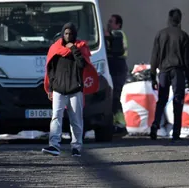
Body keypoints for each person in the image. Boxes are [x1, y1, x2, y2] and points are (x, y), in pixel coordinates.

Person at [42, 22, 99, 156]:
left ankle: (76, 147)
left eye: (71, 34)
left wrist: (74, 49)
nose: (68, 36)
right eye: (66, 33)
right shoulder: (55, 48)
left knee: (76, 119)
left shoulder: (81, 47)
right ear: (63, 34)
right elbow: (51, 70)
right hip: (58, 89)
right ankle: (54, 145)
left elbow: (82, 64)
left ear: (74, 35)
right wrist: (51, 88)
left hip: (75, 89)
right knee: (56, 117)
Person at [150, 8, 189, 141]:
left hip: (163, 71)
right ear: (180, 19)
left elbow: (154, 57)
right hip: (178, 72)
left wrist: (152, 76)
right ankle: (176, 132)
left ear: (169, 19)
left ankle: (155, 124)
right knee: (178, 100)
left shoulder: (160, 34)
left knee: (162, 99)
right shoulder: (183, 36)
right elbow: (187, 59)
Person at [105, 14, 128, 135]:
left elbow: (116, 50)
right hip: (114, 69)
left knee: (115, 98)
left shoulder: (118, 34)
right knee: (111, 98)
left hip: (118, 70)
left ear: (118, 24)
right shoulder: (113, 35)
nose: (109, 23)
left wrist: (108, 38)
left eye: (111, 21)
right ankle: (115, 123)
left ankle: (121, 124)